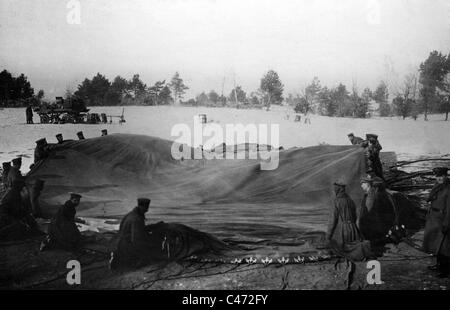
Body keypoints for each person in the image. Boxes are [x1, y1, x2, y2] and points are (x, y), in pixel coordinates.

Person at [110, 198, 156, 269]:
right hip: (126, 246)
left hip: (120, 244)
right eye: (146, 208)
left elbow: (140, 230)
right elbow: (136, 239)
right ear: (142, 207)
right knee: (152, 253)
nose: (146, 210)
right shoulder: (136, 219)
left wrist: (154, 226)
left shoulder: (130, 214)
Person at [423, 167, 450, 278]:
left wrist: (447, 223)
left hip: (442, 220)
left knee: (445, 247)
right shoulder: (438, 186)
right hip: (434, 219)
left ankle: (446, 270)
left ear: (445, 176)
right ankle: (439, 265)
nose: (439, 178)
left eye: (441, 176)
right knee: (436, 245)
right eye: (437, 176)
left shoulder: (448, 189)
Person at [358, 175, 399, 241]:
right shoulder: (368, 195)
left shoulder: (373, 195)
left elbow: (375, 212)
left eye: (363, 183)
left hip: (379, 226)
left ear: (368, 184)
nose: (361, 186)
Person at [327, 180, 362, 249]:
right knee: (353, 249)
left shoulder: (336, 201)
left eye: (335, 189)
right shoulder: (350, 200)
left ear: (337, 190)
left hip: (343, 231)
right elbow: (355, 217)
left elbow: (332, 221)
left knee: (345, 251)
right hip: (354, 229)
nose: (334, 191)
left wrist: (328, 236)